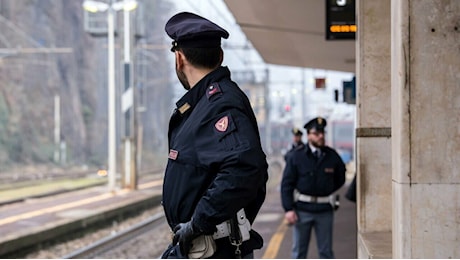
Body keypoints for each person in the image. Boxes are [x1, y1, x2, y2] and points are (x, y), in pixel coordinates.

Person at [160, 12, 268, 259]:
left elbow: (244, 168)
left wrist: (199, 222)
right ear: (219, 56)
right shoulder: (203, 105)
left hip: (216, 248)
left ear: (179, 58)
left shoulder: (220, 104)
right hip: (204, 247)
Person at [281, 117, 346, 259]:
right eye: (316, 133)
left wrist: (326, 189)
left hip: (325, 211)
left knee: (326, 252)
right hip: (302, 211)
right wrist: (288, 209)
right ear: (308, 135)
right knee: (299, 252)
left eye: (322, 133)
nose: (321, 136)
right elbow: (286, 184)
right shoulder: (296, 156)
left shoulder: (332, 156)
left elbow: (340, 178)